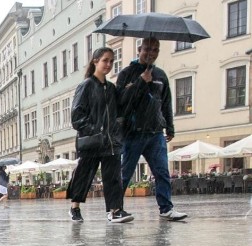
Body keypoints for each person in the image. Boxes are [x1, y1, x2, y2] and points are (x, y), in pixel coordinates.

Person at [117, 37, 187, 221]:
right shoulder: (127, 73)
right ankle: (115, 209)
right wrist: (140, 81)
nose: (151, 53)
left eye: (155, 50)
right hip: (133, 132)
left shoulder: (161, 75)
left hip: (155, 131)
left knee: (162, 172)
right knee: (125, 173)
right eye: (147, 49)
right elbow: (121, 101)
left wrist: (169, 126)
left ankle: (166, 208)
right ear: (139, 49)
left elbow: (166, 102)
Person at [66, 47, 132, 223]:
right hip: (92, 140)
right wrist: (95, 131)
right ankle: (74, 207)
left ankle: (115, 211)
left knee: (113, 177)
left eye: (111, 61)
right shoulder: (86, 86)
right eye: (105, 60)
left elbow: (119, 112)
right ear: (95, 61)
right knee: (84, 174)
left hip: (111, 141)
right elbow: (77, 116)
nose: (109, 64)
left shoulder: (111, 88)